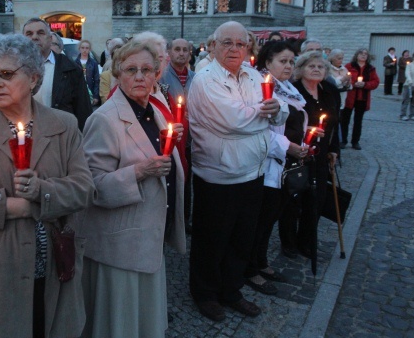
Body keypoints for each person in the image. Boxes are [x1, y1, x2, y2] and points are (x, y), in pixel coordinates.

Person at [0, 34, 94, 338]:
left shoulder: (64, 125)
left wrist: (41, 191)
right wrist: (15, 205)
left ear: (33, 77)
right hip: (1, 263)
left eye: (7, 74)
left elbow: (84, 188)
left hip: (55, 261)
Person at [78, 39, 186, 338]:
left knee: (144, 319)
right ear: (117, 73)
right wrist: (139, 172)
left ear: (156, 75)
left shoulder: (156, 111)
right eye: (131, 70)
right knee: (121, 322)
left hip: (148, 235)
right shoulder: (104, 119)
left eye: (147, 70)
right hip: (120, 244)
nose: (140, 77)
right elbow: (92, 186)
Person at [188, 21, 287, 322]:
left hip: (253, 172)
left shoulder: (254, 74)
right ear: (214, 46)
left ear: (248, 47)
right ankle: (205, 293)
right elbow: (233, 121)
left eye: (240, 44)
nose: (234, 49)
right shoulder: (206, 80)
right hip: (218, 174)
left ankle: (232, 289)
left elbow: (279, 107)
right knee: (212, 239)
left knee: (241, 238)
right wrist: (264, 115)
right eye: (227, 43)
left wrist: (271, 111)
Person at [244, 40, 306, 294]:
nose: (289, 66)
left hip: (285, 166)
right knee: (259, 220)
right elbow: (258, 130)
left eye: (292, 61)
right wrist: (287, 146)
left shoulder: (289, 89)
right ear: (267, 62)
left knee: (271, 218)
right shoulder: (262, 88)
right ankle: (249, 269)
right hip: (266, 164)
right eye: (283, 61)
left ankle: (261, 261)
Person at [282, 51, 340, 259]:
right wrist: (310, 131)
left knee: (316, 200)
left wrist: (334, 149)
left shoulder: (329, 91)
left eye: (320, 67)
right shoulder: (294, 92)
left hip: (321, 154)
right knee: (293, 199)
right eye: (311, 66)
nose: (316, 69)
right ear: (301, 69)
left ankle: (306, 241)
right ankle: (288, 242)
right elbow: (290, 124)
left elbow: (335, 123)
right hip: (298, 152)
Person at [23, 18, 92, 130]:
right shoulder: (12, 68)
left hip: (59, 138)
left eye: (40, 33)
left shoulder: (71, 69)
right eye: (29, 34)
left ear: (50, 39)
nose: (34, 37)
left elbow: (83, 111)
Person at [160, 37, 195, 231]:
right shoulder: (163, 77)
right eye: (178, 49)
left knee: (187, 178)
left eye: (185, 50)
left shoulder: (194, 77)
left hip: (190, 139)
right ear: (170, 53)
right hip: (171, 137)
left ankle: (185, 217)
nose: (181, 53)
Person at [341, 49, 380, 150]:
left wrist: (365, 84)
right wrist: (353, 83)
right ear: (356, 55)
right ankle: (343, 140)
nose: (363, 56)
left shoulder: (371, 68)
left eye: (365, 54)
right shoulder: (349, 66)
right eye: (361, 54)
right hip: (350, 97)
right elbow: (344, 78)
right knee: (345, 120)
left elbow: (375, 82)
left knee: (358, 121)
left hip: (362, 97)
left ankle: (355, 141)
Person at [74, 40, 100, 107]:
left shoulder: (93, 63)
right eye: (82, 48)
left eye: (87, 48)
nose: (84, 50)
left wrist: (96, 96)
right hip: (78, 92)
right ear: (79, 49)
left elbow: (97, 80)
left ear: (89, 49)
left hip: (90, 92)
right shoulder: (75, 63)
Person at [98, 38, 123, 104]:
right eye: (116, 57)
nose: (119, 60)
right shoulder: (106, 75)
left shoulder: (129, 74)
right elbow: (104, 98)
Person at [400, 52, 414, 121]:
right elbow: (407, 73)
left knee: (413, 101)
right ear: (413, 57)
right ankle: (403, 115)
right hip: (409, 85)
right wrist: (409, 80)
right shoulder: (410, 65)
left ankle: (412, 114)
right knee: (406, 100)